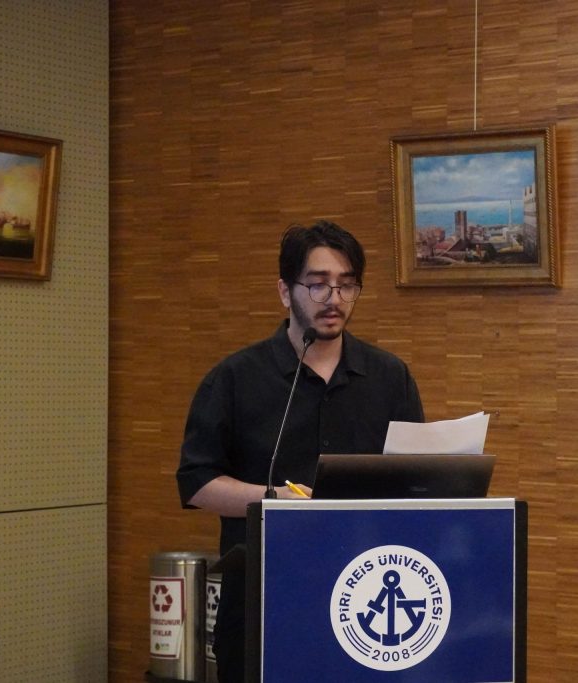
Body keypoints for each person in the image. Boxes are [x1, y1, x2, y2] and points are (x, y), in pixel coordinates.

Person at [176, 220, 425, 682]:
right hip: (264, 596)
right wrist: (273, 499)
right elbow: (196, 481)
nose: (334, 299)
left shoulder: (390, 377)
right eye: (317, 284)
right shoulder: (235, 378)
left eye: (347, 285)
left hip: (365, 597)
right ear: (285, 292)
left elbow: (415, 480)